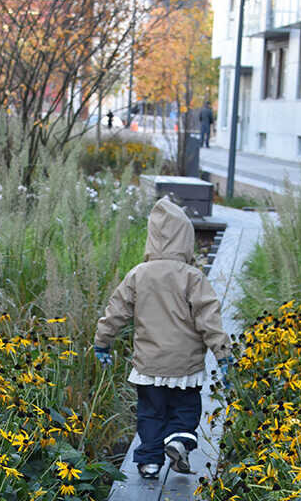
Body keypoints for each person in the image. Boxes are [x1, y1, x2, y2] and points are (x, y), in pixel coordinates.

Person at [93, 196, 232, 480]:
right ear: (186, 239)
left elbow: (116, 311)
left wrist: (102, 341)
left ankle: (149, 462)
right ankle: (179, 441)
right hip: (185, 366)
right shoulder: (193, 277)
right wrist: (223, 354)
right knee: (186, 409)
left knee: (150, 414)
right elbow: (209, 320)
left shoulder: (138, 275)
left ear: (152, 238)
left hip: (149, 365)